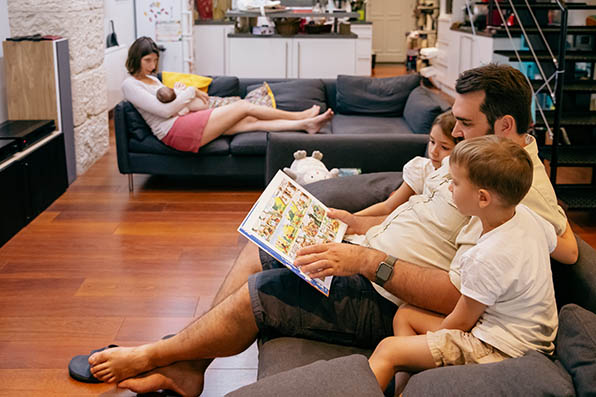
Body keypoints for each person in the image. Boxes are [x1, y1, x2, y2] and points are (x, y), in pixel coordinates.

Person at [84, 64, 578, 396]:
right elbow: (416, 217)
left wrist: (365, 259)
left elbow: (565, 251)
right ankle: (189, 362)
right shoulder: (479, 157)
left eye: (466, 124)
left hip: (384, 289)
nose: (455, 132)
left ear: (506, 125)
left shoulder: (515, 187)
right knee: (258, 247)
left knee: (262, 291)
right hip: (369, 256)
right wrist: (354, 223)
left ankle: (157, 353)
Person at [368, 135, 570, 393]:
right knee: (406, 313)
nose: (449, 188)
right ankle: (406, 389)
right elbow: (558, 244)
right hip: (527, 335)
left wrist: (430, 343)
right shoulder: (527, 215)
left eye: (455, 182)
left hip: (499, 348)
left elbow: (460, 323)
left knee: (388, 350)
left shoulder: (485, 256)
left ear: (483, 198)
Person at [122, 36, 333, 153]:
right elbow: (164, 110)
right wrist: (189, 91)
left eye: (154, 60)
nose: (153, 65)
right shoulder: (130, 85)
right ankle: (300, 116)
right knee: (244, 107)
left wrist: (179, 94)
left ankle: (306, 125)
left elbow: (177, 107)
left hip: (183, 120)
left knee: (250, 120)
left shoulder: (153, 79)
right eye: (147, 61)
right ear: (135, 59)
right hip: (173, 132)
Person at [342, 109, 457, 234]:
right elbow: (388, 206)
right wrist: (351, 218)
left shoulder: (455, 187)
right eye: (432, 141)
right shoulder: (421, 169)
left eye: (444, 147)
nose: (434, 151)